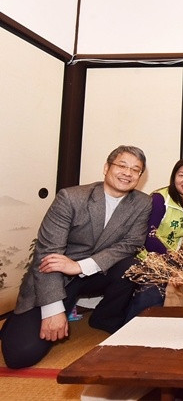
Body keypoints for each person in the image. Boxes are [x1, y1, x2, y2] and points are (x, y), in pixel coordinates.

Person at [0, 146, 150, 369]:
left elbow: (131, 244)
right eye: (122, 165)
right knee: (20, 355)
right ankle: (19, 320)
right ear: (106, 167)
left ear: (140, 177)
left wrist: (80, 266)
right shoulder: (71, 197)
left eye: (135, 169)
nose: (127, 173)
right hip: (57, 275)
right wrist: (53, 309)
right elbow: (48, 255)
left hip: (96, 270)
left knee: (133, 264)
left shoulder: (142, 202)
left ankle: (105, 318)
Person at [125, 157, 183, 319]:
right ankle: (133, 330)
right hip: (155, 258)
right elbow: (148, 235)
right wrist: (171, 256)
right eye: (180, 175)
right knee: (153, 290)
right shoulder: (160, 199)